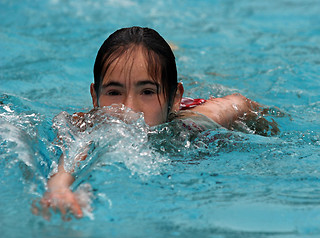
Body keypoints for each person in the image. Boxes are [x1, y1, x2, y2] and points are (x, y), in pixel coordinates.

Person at [34, 26, 279, 220]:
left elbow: (238, 103)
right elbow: (70, 156)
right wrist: (58, 189)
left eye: (147, 92)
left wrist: (267, 126)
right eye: (114, 92)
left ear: (175, 99)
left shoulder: (194, 122)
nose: (128, 109)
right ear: (95, 97)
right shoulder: (85, 123)